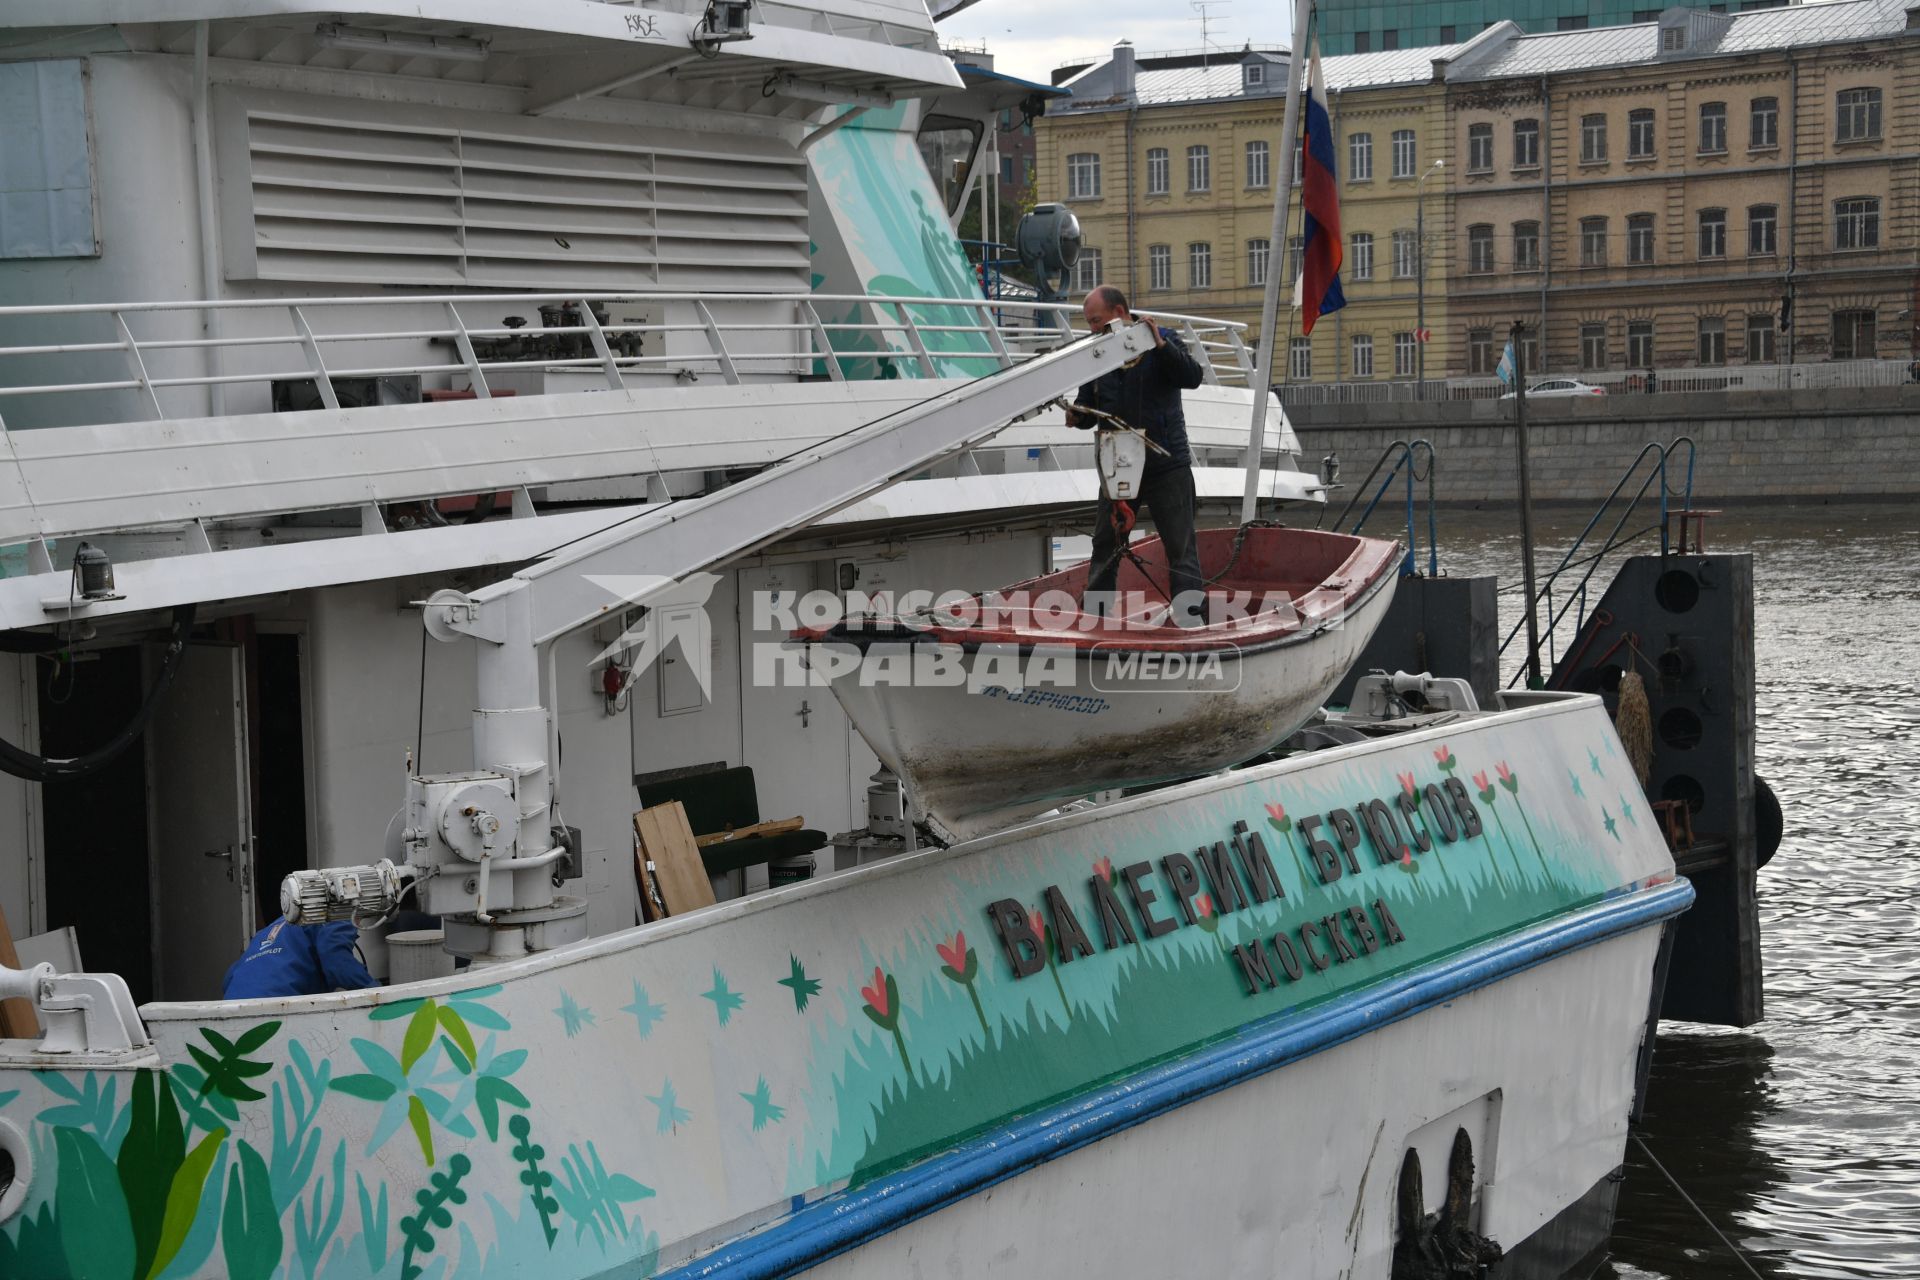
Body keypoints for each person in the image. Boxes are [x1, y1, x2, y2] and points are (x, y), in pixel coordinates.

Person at [1068, 285, 1206, 625]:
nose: (1092, 329)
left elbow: (1192, 377)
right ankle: (1096, 620)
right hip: (1119, 465)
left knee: (1180, 548)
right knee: (1105, 545)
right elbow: (1090, 408)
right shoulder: (1098, 354)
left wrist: (1159, 345)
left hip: (1166, 462)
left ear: (1119, 312)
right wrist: (1077, 416)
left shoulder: (1164, 339)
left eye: (1096, 321)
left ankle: (1192, 622)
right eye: (1088, 323)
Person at [223, 917, 378, 999]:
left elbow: (231, 975)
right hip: (276, 1008)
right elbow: (338, 962)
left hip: (232, 1006)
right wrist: (375, 990)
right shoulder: (338, 915)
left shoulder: (274, 926)